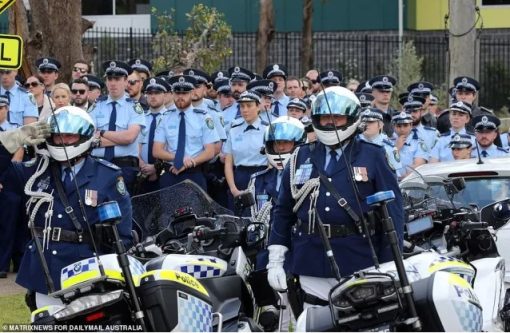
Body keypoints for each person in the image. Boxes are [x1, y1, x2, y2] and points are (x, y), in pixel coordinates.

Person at [266, 86, 404, 308]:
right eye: (324, 117)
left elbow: (393, 212)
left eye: (337, 117)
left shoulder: (373, 155)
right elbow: (283, 210)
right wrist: (276, 258)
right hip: (310, 259)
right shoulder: (301, 156)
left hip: (359, 258)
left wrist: (391, 263)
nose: (330, 123)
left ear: (351, 118)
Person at [0, 106, 132, 309]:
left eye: (70, 136)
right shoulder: (35, 172)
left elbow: (122, 234)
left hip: (87, 271)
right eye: (58, 135)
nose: (63, 141)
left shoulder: (107, 175)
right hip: (44, 271)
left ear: (84, 137)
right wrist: (14, 139)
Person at [247, 116, 305, 331]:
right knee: (268, 316)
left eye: (286, 143)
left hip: (297, 248)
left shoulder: (307, 175)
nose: (281, 149)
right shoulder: (257, 179)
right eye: (277, 144)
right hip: (265, 252)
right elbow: (251, 219)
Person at [153, 75, 219, 190]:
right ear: (173, 94)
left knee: (196, 208)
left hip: (194, 173)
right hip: (171, 172)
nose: (180, 97)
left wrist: (190, 162)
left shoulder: (203, 117)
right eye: (177, 93)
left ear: (191, 93)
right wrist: (180, 159)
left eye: (184, 93)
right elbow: (157, 151)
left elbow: (210, 151)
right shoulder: (164, 117)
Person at [88, 60, 145, 193]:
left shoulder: (134, 107)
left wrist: (101, 132)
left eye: (117, 79)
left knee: (123, 209)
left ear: (126, 81)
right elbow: (88, 138)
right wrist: (118, 138)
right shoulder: (96, 106)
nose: (113, 83)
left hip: (124, 167)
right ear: (106, 81)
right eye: (110, 79)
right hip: (98, 165)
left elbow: (129, 138)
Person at [223, 90, 268, 212]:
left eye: (249, 105)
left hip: (261, 176)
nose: (245, 110)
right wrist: (233, 189)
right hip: (240, 177)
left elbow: (271, 162)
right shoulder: (234, 130)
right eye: (242, 106)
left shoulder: (267, 129)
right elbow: (228, 163)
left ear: (258, 106)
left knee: (260, 216)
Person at [137, 77, 170, 194]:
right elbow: (136, 144)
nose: (153, 96)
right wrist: (141, 163)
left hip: (165, 173)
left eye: (157, 93)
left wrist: (155, 167)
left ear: (165, 95)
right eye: (149, 93)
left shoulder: (171, 118)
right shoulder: (141, 118)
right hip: (142, 172)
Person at [357, 108, 401, 175]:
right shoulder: (354, 143)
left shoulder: (389, 147)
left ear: (380, 125)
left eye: (371, 122)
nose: (366, 125)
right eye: (364, 122)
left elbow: (393, 176)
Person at [390, 112, 428, 179]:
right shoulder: (388, 143)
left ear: (411, 125)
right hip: (392, 181)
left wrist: (404, 179)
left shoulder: (418, 143)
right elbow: (385, 164)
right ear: (394, 127)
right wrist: (396, 148)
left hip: (413, 181)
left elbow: (418, 165)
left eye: (405, 125)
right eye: (399, 126)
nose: (402, 129)